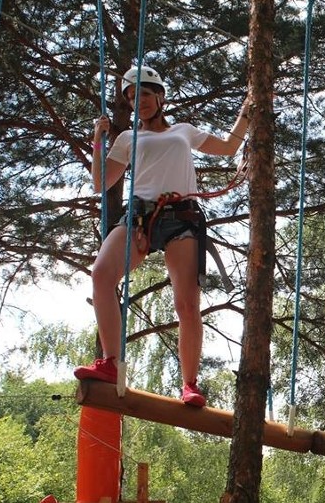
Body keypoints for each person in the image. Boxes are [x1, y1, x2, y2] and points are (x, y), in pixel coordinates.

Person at [74, 65, 249, 407]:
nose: (139, 102)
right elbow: (100, 183)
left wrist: (249, 107)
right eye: (132, 97)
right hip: (138, 218)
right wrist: (98, 139)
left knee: (186, 304)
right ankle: (111, 362)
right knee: (100, 275)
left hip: (180, 218)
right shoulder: (127, 139)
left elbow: (229, 147)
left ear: (160, 97)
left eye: (146, 95)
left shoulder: (183, 131)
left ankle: (190, 384)